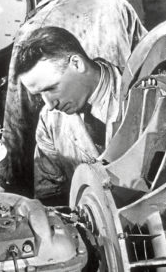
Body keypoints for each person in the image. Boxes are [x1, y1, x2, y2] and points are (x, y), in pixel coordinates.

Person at [0, 0, 147, 192]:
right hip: (137, 161)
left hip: (76, 179)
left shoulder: (33, 31)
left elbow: (18, 121)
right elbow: (151, 72)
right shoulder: (118, 6)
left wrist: (13, 189)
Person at [13, 26, 122, 203]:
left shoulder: (141, 95)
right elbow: (49, 196)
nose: (49, 105)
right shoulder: (49, 120)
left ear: (77, 64)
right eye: (39, 94)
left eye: (51, 88)